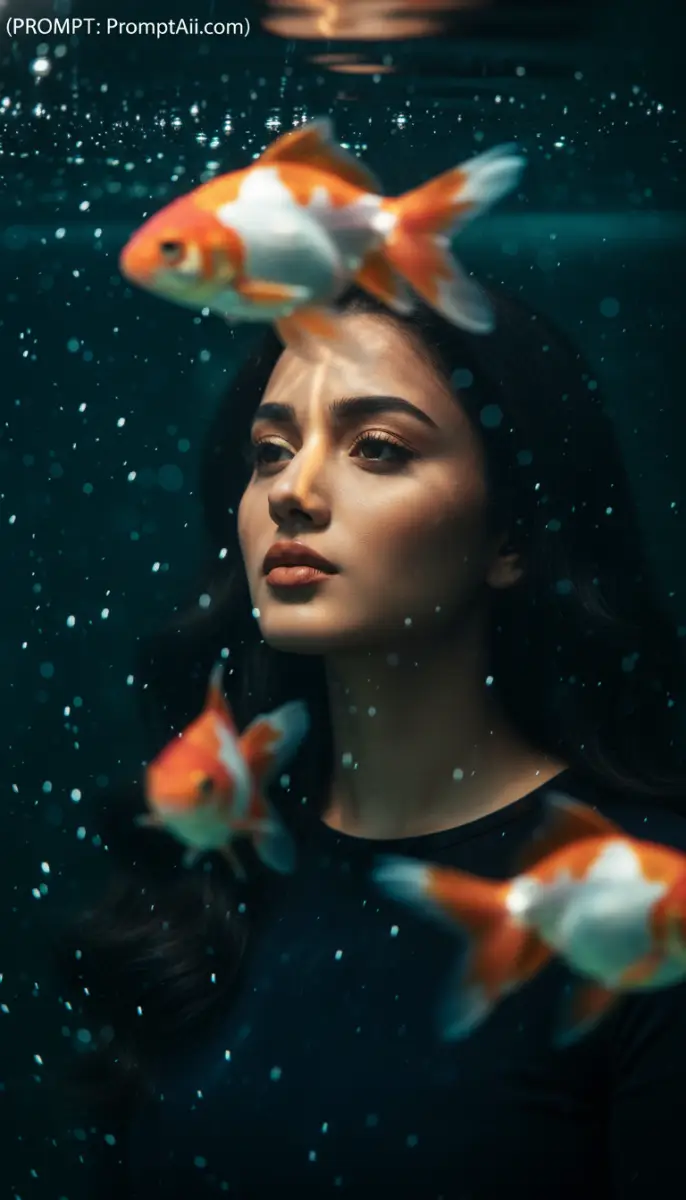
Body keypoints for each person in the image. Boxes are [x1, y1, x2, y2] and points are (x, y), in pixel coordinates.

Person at [58, 285, 686, 1199]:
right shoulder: (209, 889)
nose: (293, 492)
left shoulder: (645, 895)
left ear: (511, 531)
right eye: (269, 451)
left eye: (377, 449)